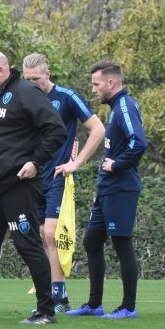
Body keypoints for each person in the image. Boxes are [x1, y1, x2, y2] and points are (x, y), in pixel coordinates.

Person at [0, 49, 67, 324]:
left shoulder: (25, 92)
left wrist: (36, 162)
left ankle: (47, 311)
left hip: (18, 186)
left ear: (1, 70)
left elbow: (57, 130)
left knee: (27, 245)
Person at [22, 53, 105, 313]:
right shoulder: (24, 97)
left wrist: (76, 163)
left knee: (51, 232)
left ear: (47, 75)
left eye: (36, 78)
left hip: (57, 176)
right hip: (32, 178)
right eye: (27, 79)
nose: (31, 84)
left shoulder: (66, 97)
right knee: (39, 236)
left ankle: (56, 297)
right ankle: (57, 293)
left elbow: (98, 128)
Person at [67, 60, 147, 319]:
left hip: (122, 188)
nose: (93, 89)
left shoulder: (124, 106)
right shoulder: (115, 108)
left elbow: (139, 143)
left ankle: (128, 307)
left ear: (111, 83)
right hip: (107, 189)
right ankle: (94, 304)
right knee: (91, 241)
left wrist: (117, 164)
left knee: (122, 243)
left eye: (96, 84)